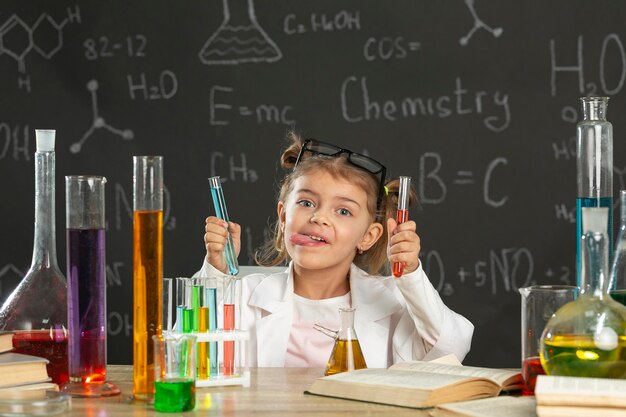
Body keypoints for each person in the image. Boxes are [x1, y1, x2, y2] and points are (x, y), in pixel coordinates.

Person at [195, 133, 473, 368]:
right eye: (306, 203)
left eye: (343, 210)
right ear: (283, 217)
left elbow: (449, 348)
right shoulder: (244, 297)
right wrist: (215, 271)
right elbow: (189, 353)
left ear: (368, 236)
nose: (318, 217)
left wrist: (411, 275)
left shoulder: (393, 303)